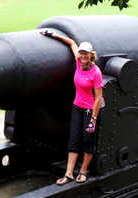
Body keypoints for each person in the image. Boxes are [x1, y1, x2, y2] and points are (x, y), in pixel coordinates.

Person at [40, 30, 104, 184]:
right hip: (77, 107)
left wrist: (93, 119)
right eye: (81, 53)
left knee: (87, 140)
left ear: (91, 55)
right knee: (74, 139)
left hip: (90, 110)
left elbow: (98, 98)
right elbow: (71, 43)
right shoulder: (78, 62)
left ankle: (83, 171)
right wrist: (53, 35)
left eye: (86, 54)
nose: (83, 56)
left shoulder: (96, 73)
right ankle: (68, 173)